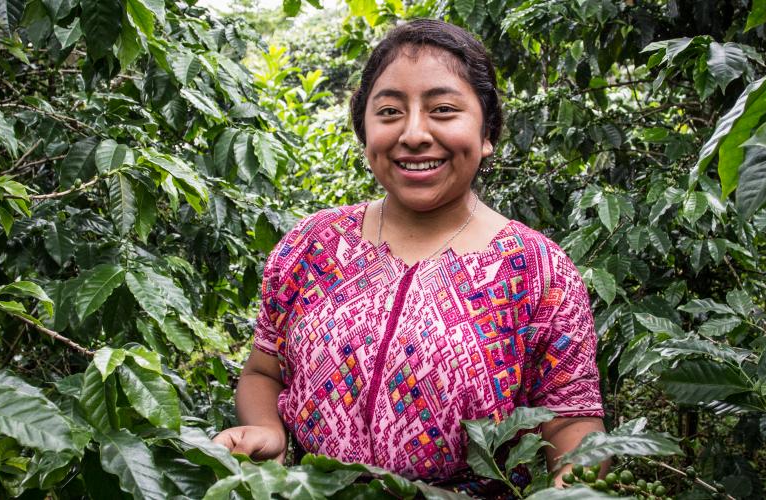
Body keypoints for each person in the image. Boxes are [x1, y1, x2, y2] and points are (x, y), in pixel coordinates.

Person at [212, 19, 605, 492]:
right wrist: (268, 430)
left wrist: (570, 486)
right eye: (390, 111)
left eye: (442, 109)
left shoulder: (540, 271)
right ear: (365, 131)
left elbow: (571, 420)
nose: (414, 133)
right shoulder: (312, 244)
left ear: (487, 132)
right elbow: (261, 372)